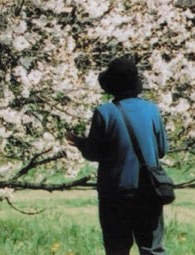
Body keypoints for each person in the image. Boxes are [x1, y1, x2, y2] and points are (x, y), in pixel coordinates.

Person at [65, 56, 168, 255]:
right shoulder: (152, 110)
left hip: (115, 192)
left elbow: (93, 152)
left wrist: (78, 142)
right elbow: (162, 150)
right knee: (152, 249)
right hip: (149, 189)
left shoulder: (104, 113)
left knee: (117, 248)